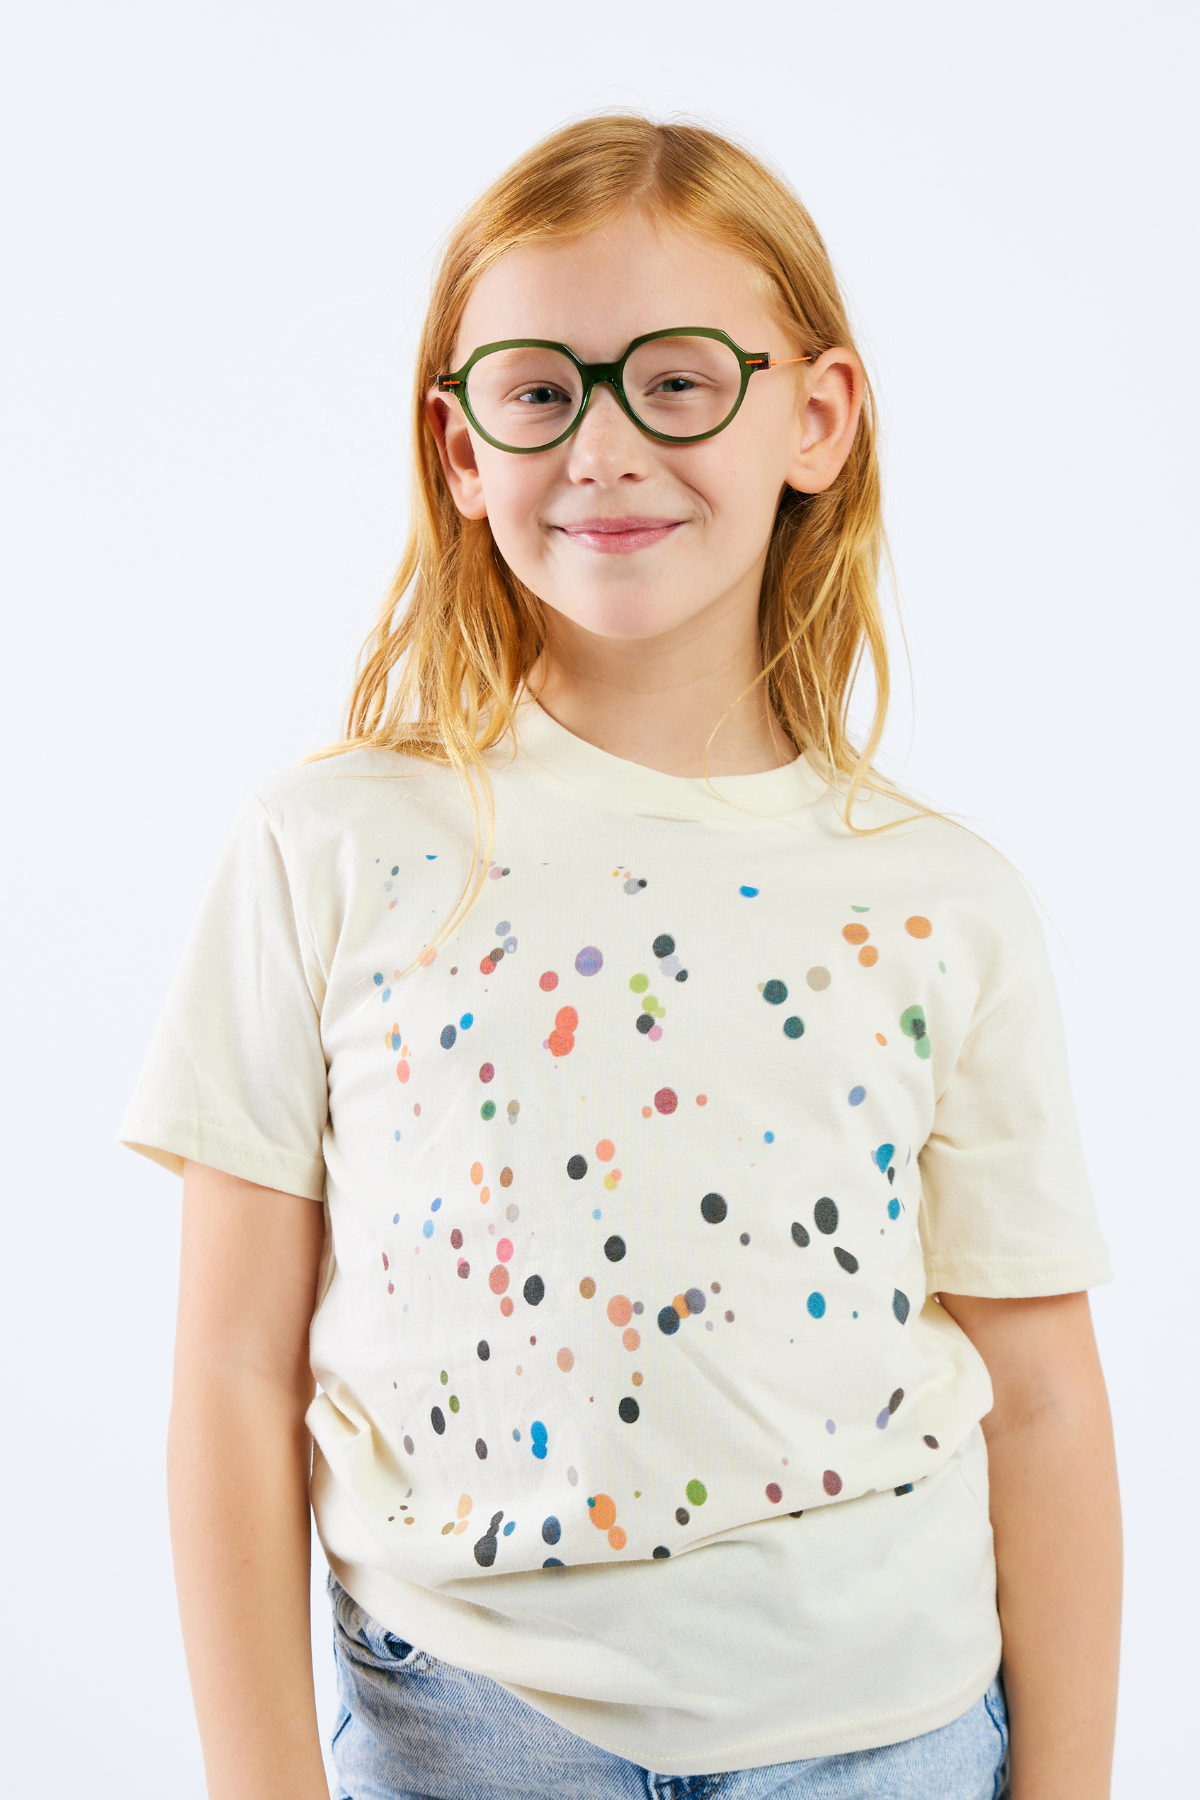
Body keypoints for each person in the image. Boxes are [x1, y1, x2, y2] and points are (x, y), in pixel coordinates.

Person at [122, 115, 1120, 1800]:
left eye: (677, 382)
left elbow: (1041, 1397)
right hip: (468, 1737)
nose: (603, 448)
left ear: (818, 415)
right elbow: (230, 1372)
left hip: (889, 1742)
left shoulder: (946, 900)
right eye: (538, 390)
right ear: (457, 448)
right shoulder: (331, 848)